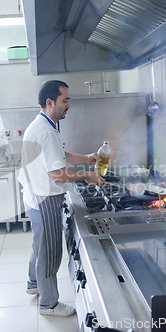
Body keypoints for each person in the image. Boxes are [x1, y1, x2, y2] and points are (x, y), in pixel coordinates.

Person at [18, 80, 105, 317]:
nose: (69, 105)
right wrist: (87, 175)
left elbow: (59, 154)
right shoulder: (45, 130)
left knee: (40, 245)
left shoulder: (45, 124)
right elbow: (57, 172)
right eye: (65, 100)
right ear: (50, 102)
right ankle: (49, 304)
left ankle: (33, 283)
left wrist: (85, 158)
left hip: (35, 195)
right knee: (49, 251)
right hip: (44, 198)